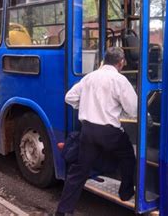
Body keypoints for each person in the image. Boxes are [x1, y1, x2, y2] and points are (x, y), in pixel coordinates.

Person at [56, 47, 137, 216]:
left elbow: (69, 97)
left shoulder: (89, 77)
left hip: (88, 131)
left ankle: (63, 211)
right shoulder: (119, 80)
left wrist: (85, 106)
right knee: (128, 156)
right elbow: (134, 109)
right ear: (121, 63)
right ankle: (126, 192)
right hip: (110, 133)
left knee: (79, 171)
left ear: (104, 60)